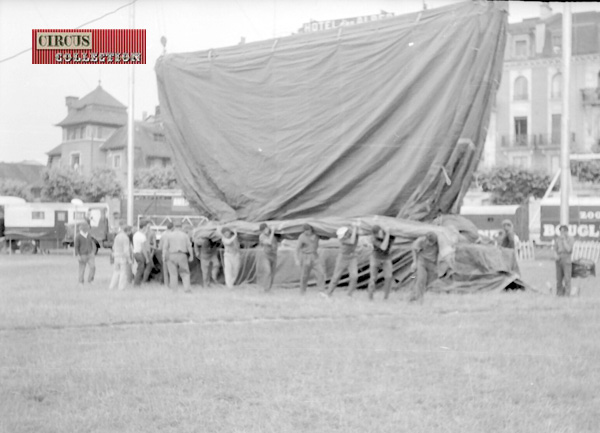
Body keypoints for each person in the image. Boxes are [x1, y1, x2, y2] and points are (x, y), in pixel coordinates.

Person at [326, 222, 359, 297]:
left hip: (352, 257)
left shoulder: (352, 234)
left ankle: (349, 294)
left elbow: (357, 234)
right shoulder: (342, 240)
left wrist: (355, 226)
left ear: (346, 233)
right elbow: (352, 241)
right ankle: (329, 293)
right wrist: (354, 228)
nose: (341, 236)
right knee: (336, 276)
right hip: (342, 258)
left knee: (354, 276)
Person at [161, 221, 194, 292]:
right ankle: (187, 289)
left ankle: (174, 290)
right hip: (182, 255)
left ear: (174, 227)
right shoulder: (185, 235)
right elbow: (189, 246)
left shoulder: (169, 235)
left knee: (173, 273)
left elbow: (165, 247)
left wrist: (164, 256)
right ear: (181, 227)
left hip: (171, 255)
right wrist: (191, 255)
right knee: (185, 272)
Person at [295, 224, 325, 294]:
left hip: (315, 256)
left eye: (308, 230)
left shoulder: (317, 235)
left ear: (311, 230)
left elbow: (326, 236)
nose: (306, 232)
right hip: (305, 256)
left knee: (321, 273)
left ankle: (321, 290)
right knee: (304, 275)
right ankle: (302, 292)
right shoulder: (302, 237)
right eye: (305, 230)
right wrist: (297, 259)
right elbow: (297, 249)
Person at [367, 225, 395, 300]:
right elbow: (383, 247)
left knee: (388, 277)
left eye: (379, 233)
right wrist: (388, 234)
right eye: (377, 234)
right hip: (375, 258)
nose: (379, 235)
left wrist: (388, 233)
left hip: (386, 258)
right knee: (373, 278)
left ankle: (386, 298)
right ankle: (370, 297)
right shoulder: (373, 239)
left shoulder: (391, 235)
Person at [410, 232, 439, 303]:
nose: (431, 244)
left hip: (432, 263)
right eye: (430, 242)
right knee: (420, 279)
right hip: (422, 262)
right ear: (426, 239)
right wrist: (414, 262)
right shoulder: (420, 241)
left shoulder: (438, 243)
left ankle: (414, 295)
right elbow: (414, 249)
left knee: (429, 281)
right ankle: (419, 298)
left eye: (433, 242)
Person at [109, 224, 132, 290]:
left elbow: (113, 247)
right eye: (130, 231)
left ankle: (112, 286)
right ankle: (121, 287)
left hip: (116, 256)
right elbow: (126, 250)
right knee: (123, 272)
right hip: (123, 257)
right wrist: (129, 259)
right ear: (128, 231)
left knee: (116, 272)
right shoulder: (125, 238)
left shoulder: (117, 236)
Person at [257, 223, 279, 291]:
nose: (265, 230)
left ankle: (268, 288)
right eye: (263, 230)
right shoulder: (262, 236)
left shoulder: (273, 236)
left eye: (266, 229)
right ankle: (265, 288)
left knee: (272, 272)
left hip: (274, 255)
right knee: (267, 271)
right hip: (265, 255)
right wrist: (272, 231)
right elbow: (269, 242)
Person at [554, 224, 574, 297]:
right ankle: (559, 293)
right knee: (558, 278)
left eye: (563, 231)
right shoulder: (557, 239)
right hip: (559, 258)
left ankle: (567, 293)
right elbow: (555, 249)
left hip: (566, 258)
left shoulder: (570, 239)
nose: (562, 233)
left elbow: (569, 249)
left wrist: (564, 240)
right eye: (560, 231)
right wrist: (556, 255)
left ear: (566, 231)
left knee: (567, 277)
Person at [132, 221, 153, 286]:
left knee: (140, 268)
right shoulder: (142, 236)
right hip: (140, 254)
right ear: (143, 227)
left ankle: (138, 282)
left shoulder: (136, 234)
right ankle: (137, 283)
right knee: (140, 269)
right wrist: (146, 258)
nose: (147, 228)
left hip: (135, 253)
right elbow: (143, 248)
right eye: (146, 227)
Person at [160, 222, 174, 286]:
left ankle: (166, 284)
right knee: (172, 271)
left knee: (165, 271)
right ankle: (172, 283)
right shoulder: (173, 234)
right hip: (171, 253)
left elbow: (160, 246)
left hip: (164, 253)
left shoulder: (163, 234)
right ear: (173, 227)